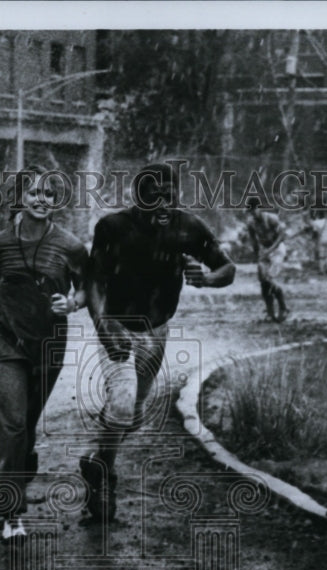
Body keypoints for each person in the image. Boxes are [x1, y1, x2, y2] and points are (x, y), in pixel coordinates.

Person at [79, 162, 236, 523]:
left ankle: (95, 458)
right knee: (119, 406)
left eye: (170, 194)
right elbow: (95, 281)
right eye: (154, 195)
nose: (163, 203)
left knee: (133, 413)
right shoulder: (113, 227)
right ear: (138, 196)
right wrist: (104, 326)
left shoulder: (188, 227)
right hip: (117, 325)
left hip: (157, 329)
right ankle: (105, 478)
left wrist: (206, 278)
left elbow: (228, 268)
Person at [0, 166, 88, 540]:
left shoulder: (70, 245)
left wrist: (72, 303)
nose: (42, 200)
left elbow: (89, 288)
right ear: (20, 196)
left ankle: (18, 477)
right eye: (34, 192)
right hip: (3, 340)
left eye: (49, 194)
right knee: (14, 423)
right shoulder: (1, 241)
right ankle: (11, 513)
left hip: (47, 344)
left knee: (27, 426)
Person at [244, 197, 288, 322]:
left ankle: (283, 307)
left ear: (259, 208)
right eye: (250, 212)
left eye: (254, 211)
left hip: (277, 250)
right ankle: (270, 312)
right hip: (265, 251)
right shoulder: (251, 222)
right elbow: (253, 239)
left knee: (269, 280)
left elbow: (282, 236)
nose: (252, 214)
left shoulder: (271, 218)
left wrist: (271, 250)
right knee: (263, 282)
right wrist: (256, 253)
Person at [310, 210, 327, 275]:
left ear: (318, 215)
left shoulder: (316, 222)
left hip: (321, 239)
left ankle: (321, 270)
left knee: (321, 256)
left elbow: (315, 234)